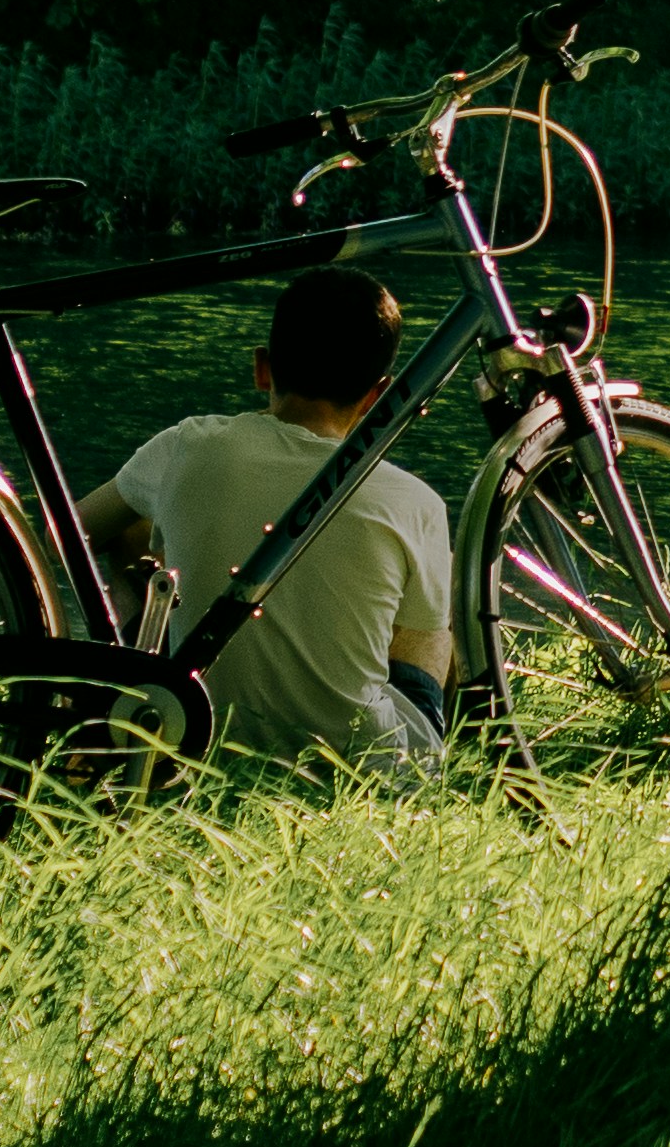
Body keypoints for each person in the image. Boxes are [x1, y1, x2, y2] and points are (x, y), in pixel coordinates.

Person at [78, 267, 456, 772]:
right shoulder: (417, 502)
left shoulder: (184, 445)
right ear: (379, 394)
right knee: (434, 604)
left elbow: (68, 530)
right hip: (365, 769)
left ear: (262, 367)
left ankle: (136, 669)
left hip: (190, 737)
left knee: (131, 528)